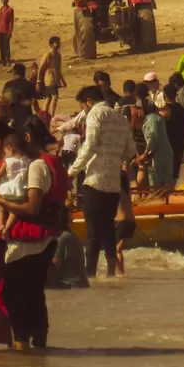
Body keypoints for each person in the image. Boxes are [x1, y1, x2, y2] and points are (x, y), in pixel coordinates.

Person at [0, 118, 66, 350]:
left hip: (31, 243)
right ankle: (37, 350)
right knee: (33, 295)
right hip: (39, 241)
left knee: (15, 296)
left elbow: (31, 208)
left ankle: (23, 346)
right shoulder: (40, 165)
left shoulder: (37, 167)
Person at [71, 84, 136, 278]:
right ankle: (110, 276)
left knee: (92, 234)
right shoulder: (121, 118)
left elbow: (89, 146)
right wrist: (115, 156)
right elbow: (130, 150)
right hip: (113, 184)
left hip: (94, 181)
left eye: (83, 106)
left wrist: (71, 172)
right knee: (108, 231)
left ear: (89, 102)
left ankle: (89, 277)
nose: (84, 110)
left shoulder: (95, 114)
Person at [142, 93, 177, 191]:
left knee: (156, 187)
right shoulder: (157, 117)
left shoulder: (152, 118)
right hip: (165, 154)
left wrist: (145, 154)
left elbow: (153, 137)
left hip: (159, 156)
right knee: (166, 185)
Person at [37, 37, 65, 113]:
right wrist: (38, 81)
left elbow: (58, 69)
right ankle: (51, 116)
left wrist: (62, 80)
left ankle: (43, 115)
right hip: (49, 80)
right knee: (55, 97)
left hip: (55, 80)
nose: (58, 45)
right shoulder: (48, 55)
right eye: (56, 43)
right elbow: (40, 68)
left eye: (59, 43)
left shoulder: (58, 55)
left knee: (48, 98)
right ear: (51, 45)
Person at [0, 0, 15, 66]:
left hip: (6, 31)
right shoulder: (1, 9)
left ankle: (8, 61)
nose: (3, 1)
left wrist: (9, 32)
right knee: (0, 46)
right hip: (0, 30)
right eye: (2, 0)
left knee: (6, 47)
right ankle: (3, 61)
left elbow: (11, 22)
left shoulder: (10, 10)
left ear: (7, 0)